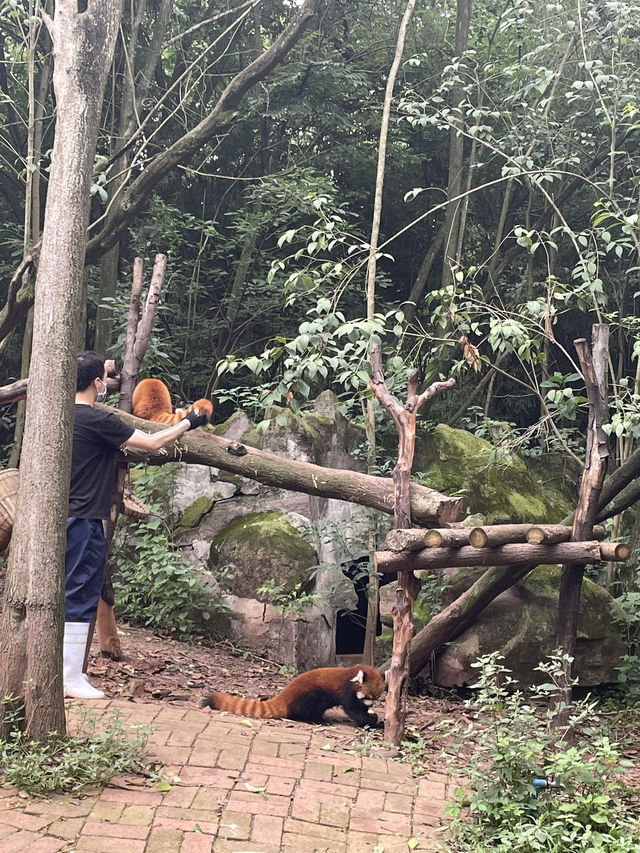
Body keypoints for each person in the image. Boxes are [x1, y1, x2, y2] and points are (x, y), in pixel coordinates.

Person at [64, 351, 209, 699]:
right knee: (80, 593)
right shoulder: (99, 420)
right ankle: (69, 677)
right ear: (98, 384)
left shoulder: (58, 414)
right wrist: (190, 421)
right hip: (83, 518)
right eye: (104, 378)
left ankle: (64, 672)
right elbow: (154, 442)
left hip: (59, 516)